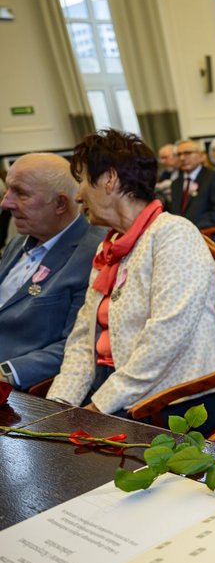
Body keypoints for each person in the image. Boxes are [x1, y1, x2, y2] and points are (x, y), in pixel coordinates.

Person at [47, 130, 215, 431]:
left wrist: (98, 407)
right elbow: (83, 337)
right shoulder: (109, 245)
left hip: (171, 399)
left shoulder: (174, 234)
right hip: (117, 390)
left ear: (109, 179)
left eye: (81, 180)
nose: (78, 195)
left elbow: (165, 339)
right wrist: (58, 407)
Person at [0, 154, 104, 390]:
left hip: (21, 390)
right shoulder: (19, 242)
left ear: (60, 204)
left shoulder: (94, 254)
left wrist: (7, 372)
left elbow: (79, 345)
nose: (6, 203)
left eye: (21, 193)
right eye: (8, 191)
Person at [169, 139, 215, 247]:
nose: (182, 158)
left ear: (202, 156)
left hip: (209, 236)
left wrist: (189, 228)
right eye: (179, 154)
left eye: (187, 153)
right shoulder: (176, 183)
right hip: (181, 237)